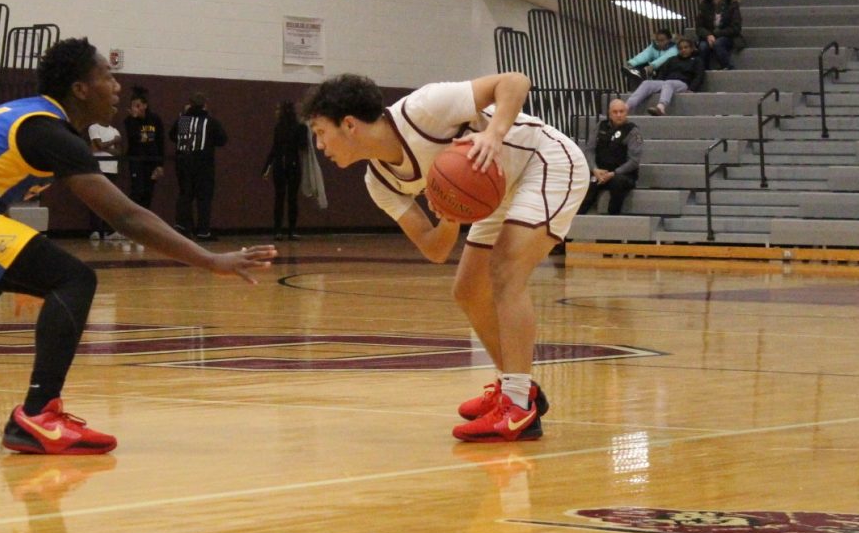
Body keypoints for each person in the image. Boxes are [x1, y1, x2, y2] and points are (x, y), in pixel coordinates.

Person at [0, 37, 276, 454]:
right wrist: (211, 259)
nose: (117, 86)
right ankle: (39, 417)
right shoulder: (48, 131)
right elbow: (126, 217)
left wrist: (11, 261)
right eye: (108, 75)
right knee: (74, 280)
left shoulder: (32, 118)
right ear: (80, 89)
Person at [301, 71, 589, 443]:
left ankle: (517, 405)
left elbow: (515, 82)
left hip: (544, 161)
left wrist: (493, 134)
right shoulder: (379, 183)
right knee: (468, 290)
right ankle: (520, 391)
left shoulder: (422, 110)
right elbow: (434, 248)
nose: (320, 145)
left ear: (350, 125)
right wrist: (450, 219)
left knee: (504, 272)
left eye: (321, 133)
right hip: (496, 193)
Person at [170, 92, 227, 240]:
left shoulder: (183, 120)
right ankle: (203, 231)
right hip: (203, 164)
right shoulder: (210, 121)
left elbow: (173, 137)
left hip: (183, 162)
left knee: (185, 196)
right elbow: (222, 140)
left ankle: (183, 227)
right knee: (204, 198)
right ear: (205, 105)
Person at [578, 98, 641, 216]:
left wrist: (614, 173)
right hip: (600, 172)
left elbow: (634, 161)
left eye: (622, 111)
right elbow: (589, 150)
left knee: (617, 183)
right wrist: (594, 169)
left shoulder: (632, 131)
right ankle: (577, 219)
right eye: (615, 112)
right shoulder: (600, 126)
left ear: (626, 113)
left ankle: (613, 218)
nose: (618, 115)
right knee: (587, 185)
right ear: (609, 113)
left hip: (622, 174)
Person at [262, 101, 308, 240]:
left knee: (279, 198)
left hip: (279, 166)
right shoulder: (300, 127)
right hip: (293, 165)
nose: (276, 112)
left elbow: (274, 149)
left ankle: (277, 231)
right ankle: (292, 231)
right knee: (292, 199)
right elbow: (303, 147)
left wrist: (266, 167)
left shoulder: (279, 127)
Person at [625, 35, 705, 115]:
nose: (683, 50)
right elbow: (663, 72)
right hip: (667, 83)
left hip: (683, 83)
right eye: (680, 48)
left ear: (691, 48)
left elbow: (699, 76)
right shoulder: (672, 59)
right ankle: (627, 106)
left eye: (686, 47)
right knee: (647, 83)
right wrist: (656, 85)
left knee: (668, 83)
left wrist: (692, 89)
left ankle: (661, 107)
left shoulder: (697, 60)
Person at [122, 86, 165, 213]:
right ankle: (128, 221)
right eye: (133, 106)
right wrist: (134, 119)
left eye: (138, 105)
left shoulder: (155, 119)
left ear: (145, 105)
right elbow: (134, 138)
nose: (135, 108)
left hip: (151, 161)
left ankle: (143, 225)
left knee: (148, 193)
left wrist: (160, 165)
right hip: (136, 160)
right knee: (137, 191)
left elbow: (160, 142)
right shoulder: (129, 120)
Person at [87, 118, 124, 241]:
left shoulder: (115, 130)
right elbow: (97, 145)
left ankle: (109, 230)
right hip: (98, 167)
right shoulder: (94, 127)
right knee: (96, 199)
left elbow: (118, 152)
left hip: (112, 168)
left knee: (110, 200)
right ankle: (95, 230)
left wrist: (102, 147)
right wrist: (112, 141)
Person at [695, 0, 744, 70]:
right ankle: (704, 70)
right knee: (702, 47)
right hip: (709, 37)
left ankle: (728, 66)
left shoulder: (732, 5)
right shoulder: (704, 5)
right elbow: (699, 27)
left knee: (718, 43)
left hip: (728, 36)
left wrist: (715, 34)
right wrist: (708, 35)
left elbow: (736, 27)